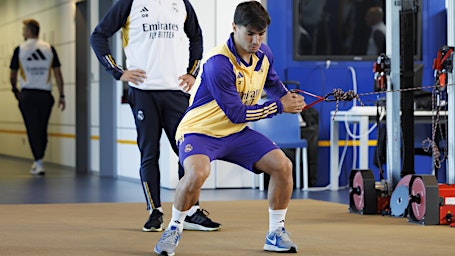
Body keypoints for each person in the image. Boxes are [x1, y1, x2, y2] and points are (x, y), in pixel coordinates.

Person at [154, 1, 305, 254]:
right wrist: (279, 107)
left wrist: (289, 98)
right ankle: (173, 229)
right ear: (234, 27)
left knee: (283, 166)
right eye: (250, 33)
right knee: (197, 174)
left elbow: (273, 84)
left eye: (261, 34)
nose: (256, 40)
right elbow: (236, 113)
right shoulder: (218, 63)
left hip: (235, 134)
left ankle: (275, 233)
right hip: (200, 131)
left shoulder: (264, 54)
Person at [89, 0, 221, 233]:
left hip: (176, 92)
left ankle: (190, 211)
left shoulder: (181, 3)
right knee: (149, 153)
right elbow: (98, 36)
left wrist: (192, 72)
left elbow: (196, 37)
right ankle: (155, 212)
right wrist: (118, 72)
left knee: (187, 153)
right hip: (143, 92)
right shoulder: (129, 3)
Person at [9, 19, 65, 176]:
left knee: (32, 128)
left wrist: (15, 90)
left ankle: (38, 161)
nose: (22, 33)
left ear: (29, 31)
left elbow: (12, 74)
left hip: (27, 95)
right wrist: (62, 95)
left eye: (23, 30)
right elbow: (58, 73)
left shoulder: (19, 49)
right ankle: (38, 160)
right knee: (42, 128)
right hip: (45, 95)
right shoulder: (49, 48)